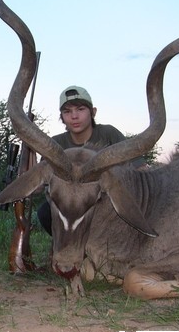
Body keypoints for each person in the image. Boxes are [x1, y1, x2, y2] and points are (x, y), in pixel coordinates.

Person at [37, 85, 147, 234]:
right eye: (67, 111)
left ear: (93, 112)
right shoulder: (54, 144)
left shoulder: (109, 134)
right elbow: (39, 187)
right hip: (71, 208)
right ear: (61, 117)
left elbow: (141, 170)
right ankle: (67, 248)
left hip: (107, 203)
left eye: (80, 109)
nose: (74, 116)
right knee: (45, 212)